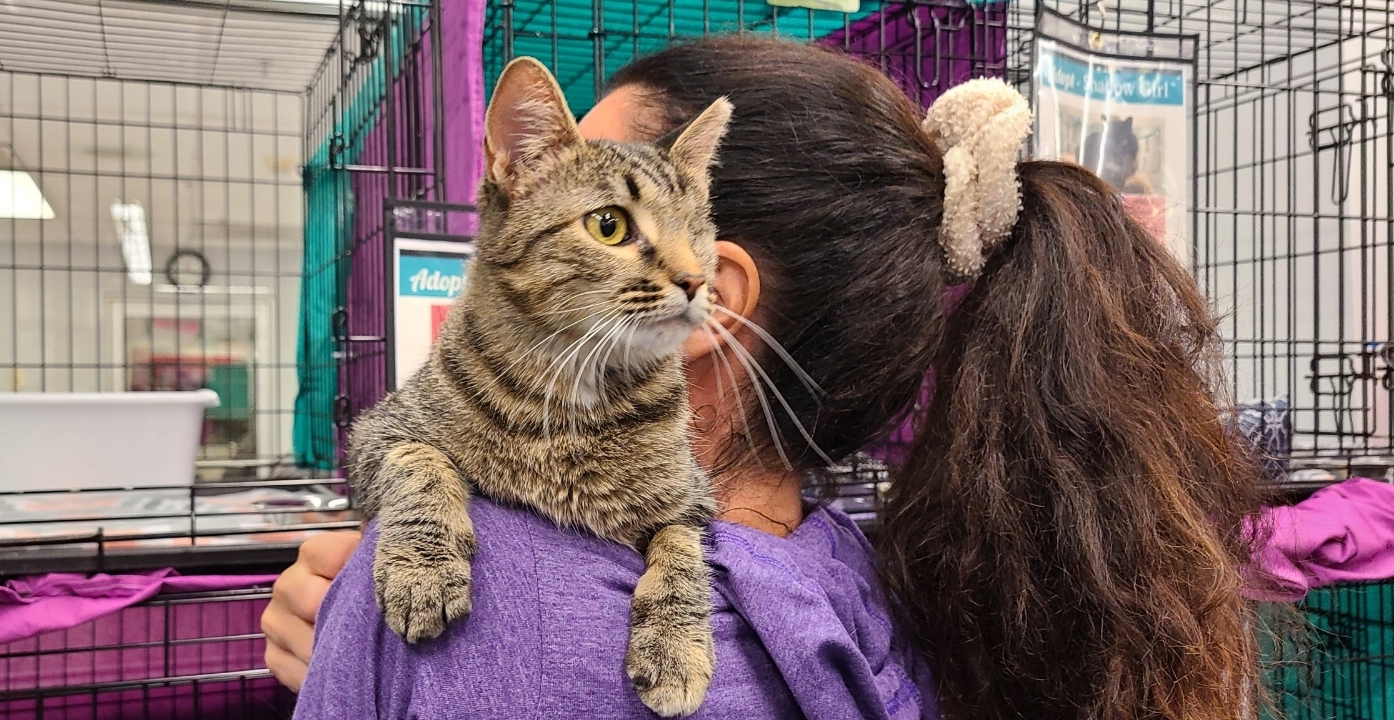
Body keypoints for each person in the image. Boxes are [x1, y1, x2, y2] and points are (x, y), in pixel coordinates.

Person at [264, 37, 1265, 720]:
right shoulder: (861, 569)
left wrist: (386, 655)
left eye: (600, 208)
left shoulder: (500, 608)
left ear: (703, 300)